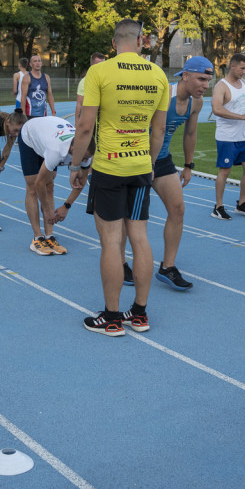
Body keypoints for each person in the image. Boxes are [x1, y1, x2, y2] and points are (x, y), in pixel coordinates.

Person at [69, 19, 169, 336]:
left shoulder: (99, 72)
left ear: (114, 43)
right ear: (141, 41)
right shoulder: (158, 75)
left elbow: (85, 127)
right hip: (140, 166)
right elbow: (159, 130)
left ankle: (111, 318)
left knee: (112, 242)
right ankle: (139, 314)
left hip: (109, 167)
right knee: (139, 238)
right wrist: (150, 163)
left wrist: (75, 166)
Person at [146, 55, 210, 289]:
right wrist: (147, 164)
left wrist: (188, 166)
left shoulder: (197, 102)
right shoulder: (164, 94)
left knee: (178, 209)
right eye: (201, 79)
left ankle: (167, 267)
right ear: (185, 76)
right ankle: (122, 263)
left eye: (208, 80)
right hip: (140, 158)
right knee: (130, 217)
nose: (205, 85)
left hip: (161, 159)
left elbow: (190, 134)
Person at [17, 115, 91, 254]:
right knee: (33, 188)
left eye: (86, 158)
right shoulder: (56, 150)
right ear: (73, 150)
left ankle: (49, 236)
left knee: (50, 186)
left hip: (49, 133)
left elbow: (80, 183)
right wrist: (48, 210)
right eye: (82, 158)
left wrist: (66, 206)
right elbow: (39, 184)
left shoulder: (86, 152)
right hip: (30, 136)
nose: (85, 161)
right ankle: (37, 237)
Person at [210, 53, 245, 220]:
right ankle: (218, 207)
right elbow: (217, 109)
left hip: (242, 136)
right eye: (242, 68)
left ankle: (242, 203)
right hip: (226, 137)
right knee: (225, 171)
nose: (244, 72)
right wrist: (242, 117)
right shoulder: (221, 86)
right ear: (232, 66)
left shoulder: (244, 83)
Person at [20, 54, 56, 119]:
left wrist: (53, 111)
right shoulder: (27, 77)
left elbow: (50, 95)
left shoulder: (46, 77)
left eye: (39, 61)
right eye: (35, 61)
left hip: (43, 114)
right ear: (31, 64)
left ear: (41, 63)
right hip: (30, 114)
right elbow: (23, 97)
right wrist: (23, 113)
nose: (37, 63)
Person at [74, 52, 106, 125]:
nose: (101, 67)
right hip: (91, 120)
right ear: (92, 65)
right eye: (98, 65)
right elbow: (79, 103)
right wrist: (76, 122)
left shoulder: (108, 80)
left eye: (103, 65)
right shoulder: (84, 82)